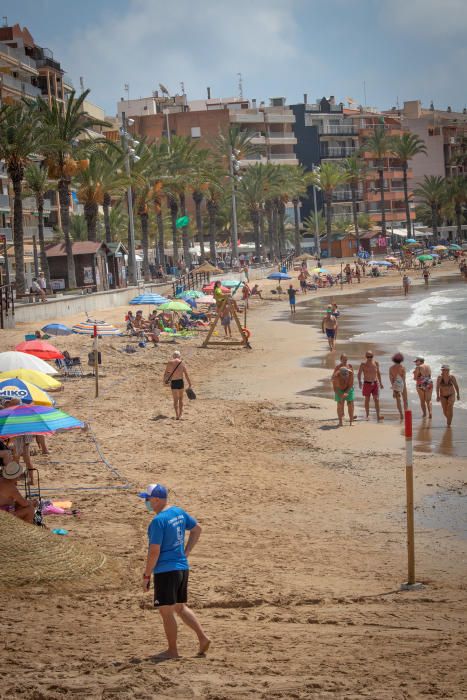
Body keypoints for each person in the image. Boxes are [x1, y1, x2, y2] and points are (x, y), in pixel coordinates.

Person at [140, 483, 210, 659]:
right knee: (180, 607)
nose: (145, 503)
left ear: (156, 499)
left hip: (166, 571)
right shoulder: (178, 512)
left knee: (166, 611)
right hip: (181, 568)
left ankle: (172, 651)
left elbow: (154, 551)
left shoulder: (158, 521)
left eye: (147, 499)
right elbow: (197, 529)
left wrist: (147, 575)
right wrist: (185, 553)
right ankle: (202, 638)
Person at [163, 351, 192, 420]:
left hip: (174, 382)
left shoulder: (170, 362)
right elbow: (186, 374)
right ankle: (180, 414)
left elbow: (166, 373)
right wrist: (190, 383)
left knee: (175, 399)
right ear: (179, 356)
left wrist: (165, 382)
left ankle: (176, 415)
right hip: (180, 381)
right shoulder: (182, 362)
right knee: (181, 399)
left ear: (173, 356)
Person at [358, 350, 384, 421]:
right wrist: (360, 382)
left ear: (373, 356)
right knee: (367, 400)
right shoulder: (363, 364)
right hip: (367, 383)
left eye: (371, 356)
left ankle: (378, 415)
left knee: (376, 399)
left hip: (375, 383)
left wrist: (381, 383)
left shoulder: (376, 363)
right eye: (368, 356)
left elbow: (378, 373)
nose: (370, 358)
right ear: (366, 357)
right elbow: (359, 374)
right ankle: (367, 415)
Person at [389, 352, 408, 420]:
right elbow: (404, 377)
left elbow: (391, 378)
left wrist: (393, 386)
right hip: (402, 383)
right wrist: (401, 384)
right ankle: (406, 413)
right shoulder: (402, 367)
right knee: (405, 400)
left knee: (398, 400)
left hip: (395, 384)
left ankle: (401, 414)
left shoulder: (391, 368)